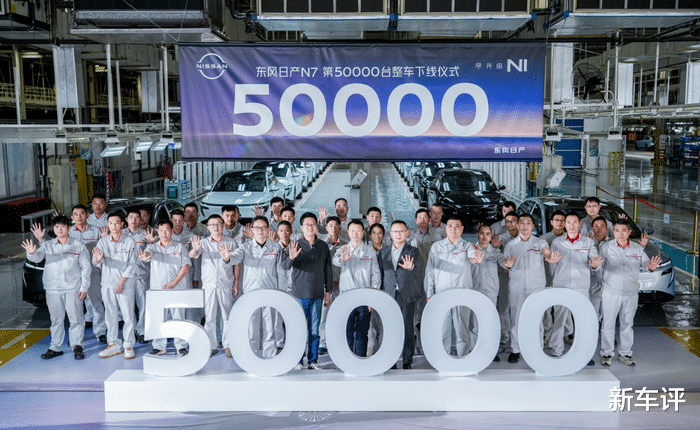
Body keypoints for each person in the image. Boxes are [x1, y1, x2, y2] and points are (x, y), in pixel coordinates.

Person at [23, 216, 90, 360]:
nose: (60, 229)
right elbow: (37, 258)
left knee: (76, 318)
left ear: (68, 228)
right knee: (56, 319)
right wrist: (31, 252)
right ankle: (55, 347)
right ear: (53, 229)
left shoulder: (78, 245)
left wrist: (84, 287)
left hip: (73, 287)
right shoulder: (48, 245)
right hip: (52, 288)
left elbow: (86, 268)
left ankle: (77, 346)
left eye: (63, 226)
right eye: (57, 226)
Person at [222, 216, 287, 359]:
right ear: (252, 230)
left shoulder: (276, 247)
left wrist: (282, 293)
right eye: (257, 228)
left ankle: (269, 356)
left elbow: (281, 273)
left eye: (263, 227)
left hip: (270, 292)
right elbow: (235, 258)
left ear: (268, 229)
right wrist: (227, 258)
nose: (260, 230)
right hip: (251, 293)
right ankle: (252, 357)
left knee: (270, 327)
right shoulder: (246, 247)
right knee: (252, 326)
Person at [598, 219, 660, 366]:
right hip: (611, 292)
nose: (620, 233)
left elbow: (645, 264)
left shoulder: (637, 248)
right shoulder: (606, 247)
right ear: (613, 232)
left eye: (623, 230)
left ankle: (625, 353)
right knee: (608, 324)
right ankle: (607, 353)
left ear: (629, 232)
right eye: (617, 230)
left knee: (627, 324)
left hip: (630, 293)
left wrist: (650, 267)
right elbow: (599, 267)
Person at [502, 213, 561, 363]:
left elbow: (546, 252)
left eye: (528, 223)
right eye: (522, 223)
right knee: (516, 319)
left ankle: (537, 348)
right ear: (517, 225)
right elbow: (506, 265)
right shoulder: (510, 245)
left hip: (536, 287)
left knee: (537, 319)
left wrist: (549, 256)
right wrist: (506, 265)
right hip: (516, 287)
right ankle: (515, 349)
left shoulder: (540, 242)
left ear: (533, 226)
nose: (525, 226)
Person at [424, 216, 484, 357]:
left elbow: (473, 255)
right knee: (443, 330)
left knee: (462, 331)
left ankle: (463, 359)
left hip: (462, 294)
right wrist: (429, 293)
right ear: (446, 228)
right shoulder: (436, 247)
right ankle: (443, 359)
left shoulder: (467, 246)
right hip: (441, 294)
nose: (453, 229)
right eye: (450, 226)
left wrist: (475, 259)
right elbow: (430, 272)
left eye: (457, 226)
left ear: (462, 229)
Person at [548, 212, 603, 361]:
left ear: (580, 224)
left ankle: (584, 352)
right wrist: (556, 279)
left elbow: (594, 261)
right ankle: (556, 349)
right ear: (564, 225)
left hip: (581, 286)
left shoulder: (588, 242)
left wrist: (594, 265)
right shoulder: (557, 242)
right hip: (561, 285)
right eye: (568, 222)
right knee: (559, 319)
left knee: (582, 320)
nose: (571, 226)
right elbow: (553, 267)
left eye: (574, 222)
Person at [282, 213, 333, 370]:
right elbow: (285, 266)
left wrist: (328, 291)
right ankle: (297, 360)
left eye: (313, 224)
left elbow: (328, 269)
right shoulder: (295, 245)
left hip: (317, 294)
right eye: (307, 224)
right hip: (299, 294)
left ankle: (312, 361)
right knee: (299, 329)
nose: (310, 227)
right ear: (301, 227)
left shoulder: (323, 246)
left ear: (317, 227)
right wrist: (291, 257)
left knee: (314, 330)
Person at [137, 220, 191, 356]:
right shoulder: (153, 247)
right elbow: (147, 255)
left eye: (167, 230)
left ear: (172, 231)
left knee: (178, 318)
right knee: (158, 318)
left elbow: (185, 266)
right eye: (161, 230)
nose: (164, 233)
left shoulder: (180, 247)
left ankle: (181, 346)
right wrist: (144, 256)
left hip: (177, 289)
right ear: (158, 231)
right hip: (158, 290)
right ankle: (159, 346)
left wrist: (173, 283)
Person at [189, 214, 237, 357]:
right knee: (209, 317)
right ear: (208, 227)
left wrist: (236, 282)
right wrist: (195, 249)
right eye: (212, 225)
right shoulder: (203, 243)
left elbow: (236, 263)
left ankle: (228, 345)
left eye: (218, 224)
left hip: (226, 283)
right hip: (209, 284)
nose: (216, 227)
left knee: (227, 316)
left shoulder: (231, 242)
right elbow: (192, 255)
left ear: (223, 226)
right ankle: (211, 345)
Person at [332, 220, 381, 358]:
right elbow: (335, 261)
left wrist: (373, 297)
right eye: (352, 230)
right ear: (348, 232)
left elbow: (376, 275)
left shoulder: (370, 251)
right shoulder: (343, 249)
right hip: (346, 296)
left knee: (362, 332)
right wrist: (342, 260)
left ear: (363, 232)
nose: (355, 233)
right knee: (347, 331)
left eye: (358, 230)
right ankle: (347, 360)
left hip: (364, 297)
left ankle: (360, 359)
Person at [378, 220, 423, 369]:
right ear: (390, 234)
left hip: (406, 295)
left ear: (407, 233)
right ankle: (391, 359)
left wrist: (411, 267)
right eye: (395, 232)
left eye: (401, 231)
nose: (398, 235)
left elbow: (419, 270)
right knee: (390, 327)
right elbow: (380, 274)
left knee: (407, 327)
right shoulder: (383, 252)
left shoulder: (413, 251)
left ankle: (407, 360)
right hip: (389, 294)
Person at [93, 212, 138, 359]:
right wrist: (97, 259)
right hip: (107, 284)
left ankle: (129, 345)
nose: (114, 226)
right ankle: (113, 344)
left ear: (122, 224)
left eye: (117, 222)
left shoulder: (130, 242)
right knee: (110, 315)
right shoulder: (102, 242)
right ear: (107, 225)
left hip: (125, 284)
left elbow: (132, 264)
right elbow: (97, 262)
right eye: (111, 223)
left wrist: (121, 282)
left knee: (128, 315)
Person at [69, 204, 108, 344]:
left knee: (97, 303)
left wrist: (105, 239)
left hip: (93, 272)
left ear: (87, 216)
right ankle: (76, 338)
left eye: (82, 214)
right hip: (75, 275)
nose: (79, 217)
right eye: (76, 214)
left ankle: (100, 332)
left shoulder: (96, 231)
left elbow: (103, 251)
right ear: (72, 217)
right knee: (76, 308)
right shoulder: (68, 233)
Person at [470, 224, 505, 361]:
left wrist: (507, 264)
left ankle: (491, 351)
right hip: (475, 290)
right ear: (477, 235)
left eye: (488, 234)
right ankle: (475, 350)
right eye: (482, 233)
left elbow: (503, 261)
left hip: (490, 291)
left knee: (490, 321)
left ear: (491, 237)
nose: (484, 237)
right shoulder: (471, 250)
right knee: (475, 321)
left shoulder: (495, 252)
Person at [318, 216, 347, 355]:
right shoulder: (319, 245)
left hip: (340, 285)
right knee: (323, 315)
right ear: (326, 228)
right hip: (324, 286)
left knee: (340, 315)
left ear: (340, 228)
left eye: (336, 225)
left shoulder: (345, 246)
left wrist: (339, 282)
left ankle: (338, 341)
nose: (333, 228)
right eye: (330, 225)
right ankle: (323, 342)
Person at [122, 209, 150, 344]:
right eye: (131, 217)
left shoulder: (146, 235)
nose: (134, 220)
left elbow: (152, 253)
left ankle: (142, 330)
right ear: (126, 219)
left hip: (141, 274)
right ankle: (131, 329)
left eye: (137, 217)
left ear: (140, 220)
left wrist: (151, 243)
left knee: (143, 303)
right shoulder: (120, 234)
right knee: (128, 305)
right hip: (125, 276)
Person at [540, 210, 566, 347]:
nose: (559, 223)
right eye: (557, 220)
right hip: (547, 276)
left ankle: (566, 334)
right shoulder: (543, 239)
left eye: (562, 220)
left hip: (563, 277)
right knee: (547, 307)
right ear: (551, 222)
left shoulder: (569, 237)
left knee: (563, 306)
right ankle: (547, 332)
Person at [590, 216, 612, 320]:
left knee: (608, 309)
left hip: (608, 280)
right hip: (592, 280)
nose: (599, 228)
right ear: (592, 228)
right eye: (596, 226)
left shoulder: (613, 243)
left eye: (602, 226)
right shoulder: (587, 242)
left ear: (606, 228)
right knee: (593, 307)